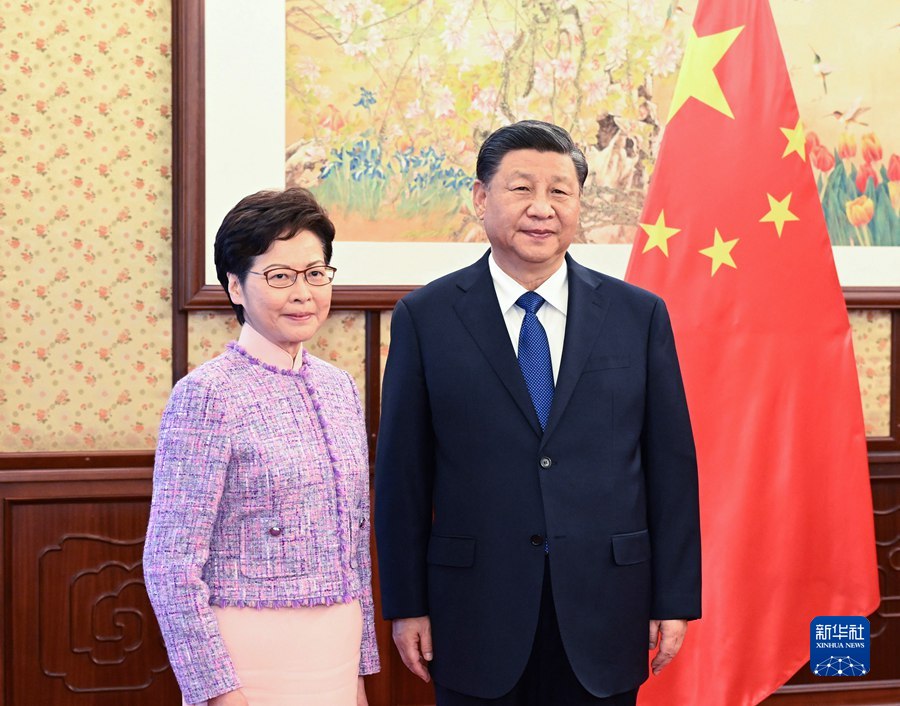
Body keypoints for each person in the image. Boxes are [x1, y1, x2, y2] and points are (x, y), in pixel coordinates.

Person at [374, 121, 700, 706]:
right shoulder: (426, 318)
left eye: (560, 191)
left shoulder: (638, 315)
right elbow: (402, 477)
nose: (542, 209)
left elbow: (670, 468)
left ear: (579, 203)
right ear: (481, 198)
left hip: (606, 604)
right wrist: (406, 605)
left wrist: (672, 599)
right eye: (522, 188)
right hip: (473, 609)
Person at [144, 188, 379, 706]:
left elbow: (356, 548)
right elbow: (169, 563)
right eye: (279, 276)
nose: (303, 293)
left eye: (315, 273)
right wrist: (217, 691)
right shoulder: (206, 394)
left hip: (336, 657)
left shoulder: (340, 387)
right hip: (247, 665)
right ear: (235, 285)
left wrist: (361, 674)